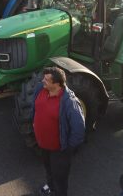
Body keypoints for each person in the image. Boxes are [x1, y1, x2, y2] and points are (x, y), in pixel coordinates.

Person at [33, 67, 85, 196]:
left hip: (59, 150)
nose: (42, 81)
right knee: (49, 169)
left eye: (46, 79)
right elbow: (35, 108)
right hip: (43, 144)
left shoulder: (69, 102)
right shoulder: (41, 89)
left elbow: (78, 129)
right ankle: (50, 187)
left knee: (60, 177)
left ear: (56, 84)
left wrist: (67, 149)